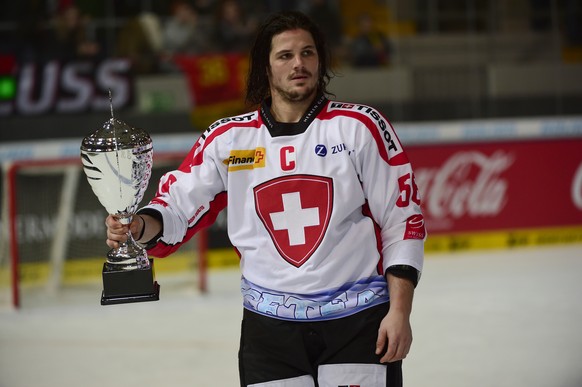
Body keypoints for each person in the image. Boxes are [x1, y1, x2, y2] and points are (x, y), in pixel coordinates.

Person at [105, 10, 425, 387]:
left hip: (358, 325)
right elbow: (177, 205)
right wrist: (140, 225)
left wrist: (400, 311)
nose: (299, 64)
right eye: (285, 55)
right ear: (265, 66)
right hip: (269, 334)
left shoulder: (360, 127)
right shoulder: (228, 140)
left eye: (308, 53)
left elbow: (402, 220)